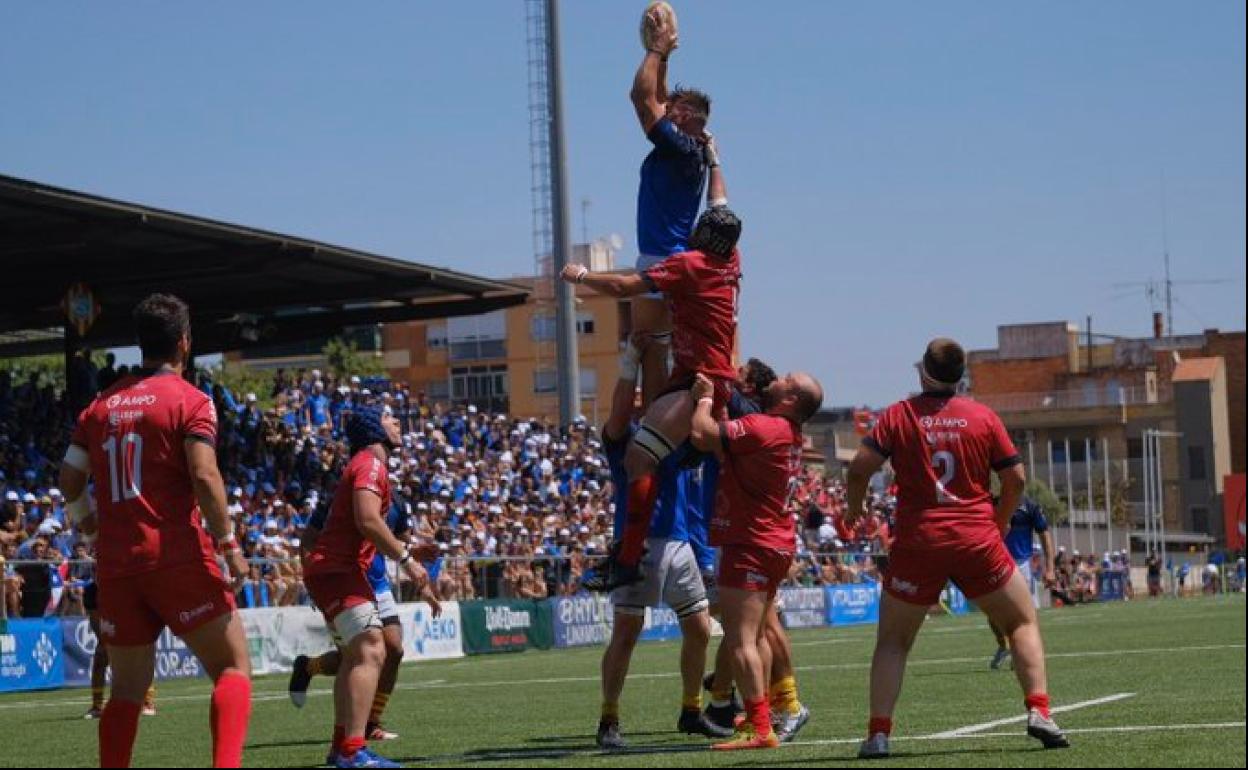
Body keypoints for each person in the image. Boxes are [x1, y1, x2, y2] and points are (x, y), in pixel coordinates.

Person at [845, 338, 1068, 758]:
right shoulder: (982, 416)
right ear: (960, 376)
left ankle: (878, 735)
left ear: (922, 371)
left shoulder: (898, 415)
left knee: (893, 642)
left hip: (918, 540)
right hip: (975, 539)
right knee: (1021, 623)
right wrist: (997, 524)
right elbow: (1016, 479)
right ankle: (1039, 711)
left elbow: (859, 468)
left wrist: (854, 508)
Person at [58, 293, 252, 768]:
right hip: (176, 554)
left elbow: (69, 479)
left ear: (140, 344)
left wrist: (87, 524)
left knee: (125, 689)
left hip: (119, 563)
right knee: (232, 668)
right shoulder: (191, 400)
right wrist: (229, 545)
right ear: (184, 343)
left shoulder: (101, 407)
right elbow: (205, 475)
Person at [560, 201, 740, 592]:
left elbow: (625, 287)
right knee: (703, 462)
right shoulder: (731, 259)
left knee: (638, 458)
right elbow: (719, 201)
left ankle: (627, 560)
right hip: (703, 378)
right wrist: (713, 160)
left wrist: (581, 275)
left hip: (700, 382)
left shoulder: (691, 264)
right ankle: (722, 555)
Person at [594, 337, 729, 750]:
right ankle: (609, 719)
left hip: (679, 543)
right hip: (642, 545)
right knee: (627, 632)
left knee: (700, 627)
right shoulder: (628, 441)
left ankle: (690, 710)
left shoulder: (680, 442)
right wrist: (630, 361)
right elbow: (619, 411)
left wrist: (700, 387)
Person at [689, 369, 824, 750]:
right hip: (774, 541)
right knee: (761, 634)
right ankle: (762, 714)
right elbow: (728, 445)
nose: (777, 378)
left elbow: (702, 435)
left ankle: (760, 727)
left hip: (749, 540)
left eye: (786, 378)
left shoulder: (767, 427)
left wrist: (702, 399)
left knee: (740, 639)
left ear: (791, 399)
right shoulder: (786, 434)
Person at [301, 406, 439, 769]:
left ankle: (341, 747)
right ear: (375, 429)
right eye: (391, 417)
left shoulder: (367, 464)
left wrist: (406, 550)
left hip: (333, 570)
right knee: (372, 651)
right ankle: (352, 753)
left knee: (357, 655)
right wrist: (407, 559)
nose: (397, 421)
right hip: (337, 570)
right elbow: (365, 519)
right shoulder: (371, 463)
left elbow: (363, 524)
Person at [290, 488, 440, 743]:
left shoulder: (398, 504)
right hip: (343, 583)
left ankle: (371, 723)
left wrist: (423, 584)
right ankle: (308, 667)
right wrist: (313, 583)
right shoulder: (336, 497)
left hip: (377, 584)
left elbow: (401, 543)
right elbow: (308, 541)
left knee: (393, 650)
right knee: (355, 657)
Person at [629, 6, 724, 407]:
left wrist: (655, 50)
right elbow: (659, 97)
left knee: (653, 349)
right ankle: (661, 429)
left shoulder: (682, 147)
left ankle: (656, 436)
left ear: (687, 117)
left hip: (662, 259)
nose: (668, 106)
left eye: (676, 106)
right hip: (670, 256)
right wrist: (665, 58)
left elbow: (641, 97)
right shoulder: (689, 146)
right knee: (661, 350)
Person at [989, 495, 1056, 670]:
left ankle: (1026, 653)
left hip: (1022, 564)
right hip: (997, 561)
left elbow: (1045, 536)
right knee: (992, 613)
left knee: (1026, 613)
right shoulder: (993, 503)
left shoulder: (1030, 506)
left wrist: (1050, 568)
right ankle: (1004, 646)